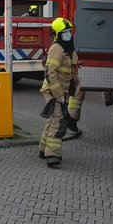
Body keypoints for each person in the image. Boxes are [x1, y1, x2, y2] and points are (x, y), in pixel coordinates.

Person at [39, 17, 82, 169]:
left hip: (61, 90)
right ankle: (53, 155)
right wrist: (59, 96)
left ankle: (44, 149)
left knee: (52, 119)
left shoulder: (68, 48)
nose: (68, 35)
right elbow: (50, 73)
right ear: (57, 34)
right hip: (53, 91)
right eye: (65, 33)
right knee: (58, 122)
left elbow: (71, 68)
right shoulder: (57, 48)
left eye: (69, 32)